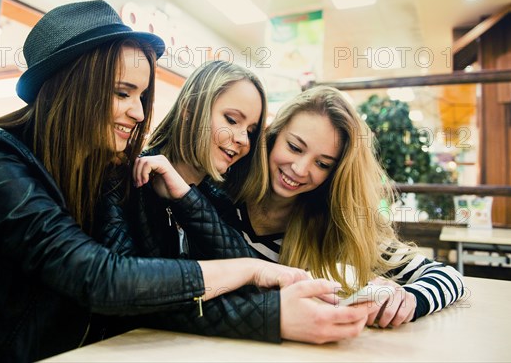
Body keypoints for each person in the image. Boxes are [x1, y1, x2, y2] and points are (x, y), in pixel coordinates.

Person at [0, 0, 312, 362]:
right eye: (122, 93)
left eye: (142, 96)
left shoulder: (92, 171)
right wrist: (252, 275)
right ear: (71, 83)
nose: (139, 111)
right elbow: (101, 279)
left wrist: (185, 198)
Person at [179, 86, 466, 329]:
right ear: (272, 136)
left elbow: (450, 277)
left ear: (335, 174)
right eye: (294, 147)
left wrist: (410, 299)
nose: (300, 169)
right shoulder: (218, 191)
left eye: (322, 164)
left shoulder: (334, 223)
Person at [129, 62, 373, 344]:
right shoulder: (132, 180)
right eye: (232, 120)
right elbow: (137, 295)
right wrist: (273, 316)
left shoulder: (215, 195)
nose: (242, 139)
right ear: (190, 108)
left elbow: (237, 264)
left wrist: (397, 294)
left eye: (251, 130)